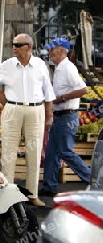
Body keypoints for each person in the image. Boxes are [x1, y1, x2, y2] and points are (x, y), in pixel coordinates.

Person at [0, 33, 56, 207]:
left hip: (36, 109)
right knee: (9, 151)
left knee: (35, 152)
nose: (14, 48)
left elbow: (48, 91)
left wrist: (49, 115)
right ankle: (8, 195)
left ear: (29, 47)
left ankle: (33, 194)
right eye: (13, 45)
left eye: (18, 45)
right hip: (13, 109)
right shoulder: (7, 65)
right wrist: (2, 97)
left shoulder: (40, 65)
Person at [39, 37, 89, 196]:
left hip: (66, 117)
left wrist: (62, 98)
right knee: (52, 153)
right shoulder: (60, 68)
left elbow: (83, 89)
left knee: (65, 152)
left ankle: (93, 180)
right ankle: (49, 186)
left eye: (51, 49)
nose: (49, 52)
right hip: (60, 117)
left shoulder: (68, 68)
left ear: (61, 50)